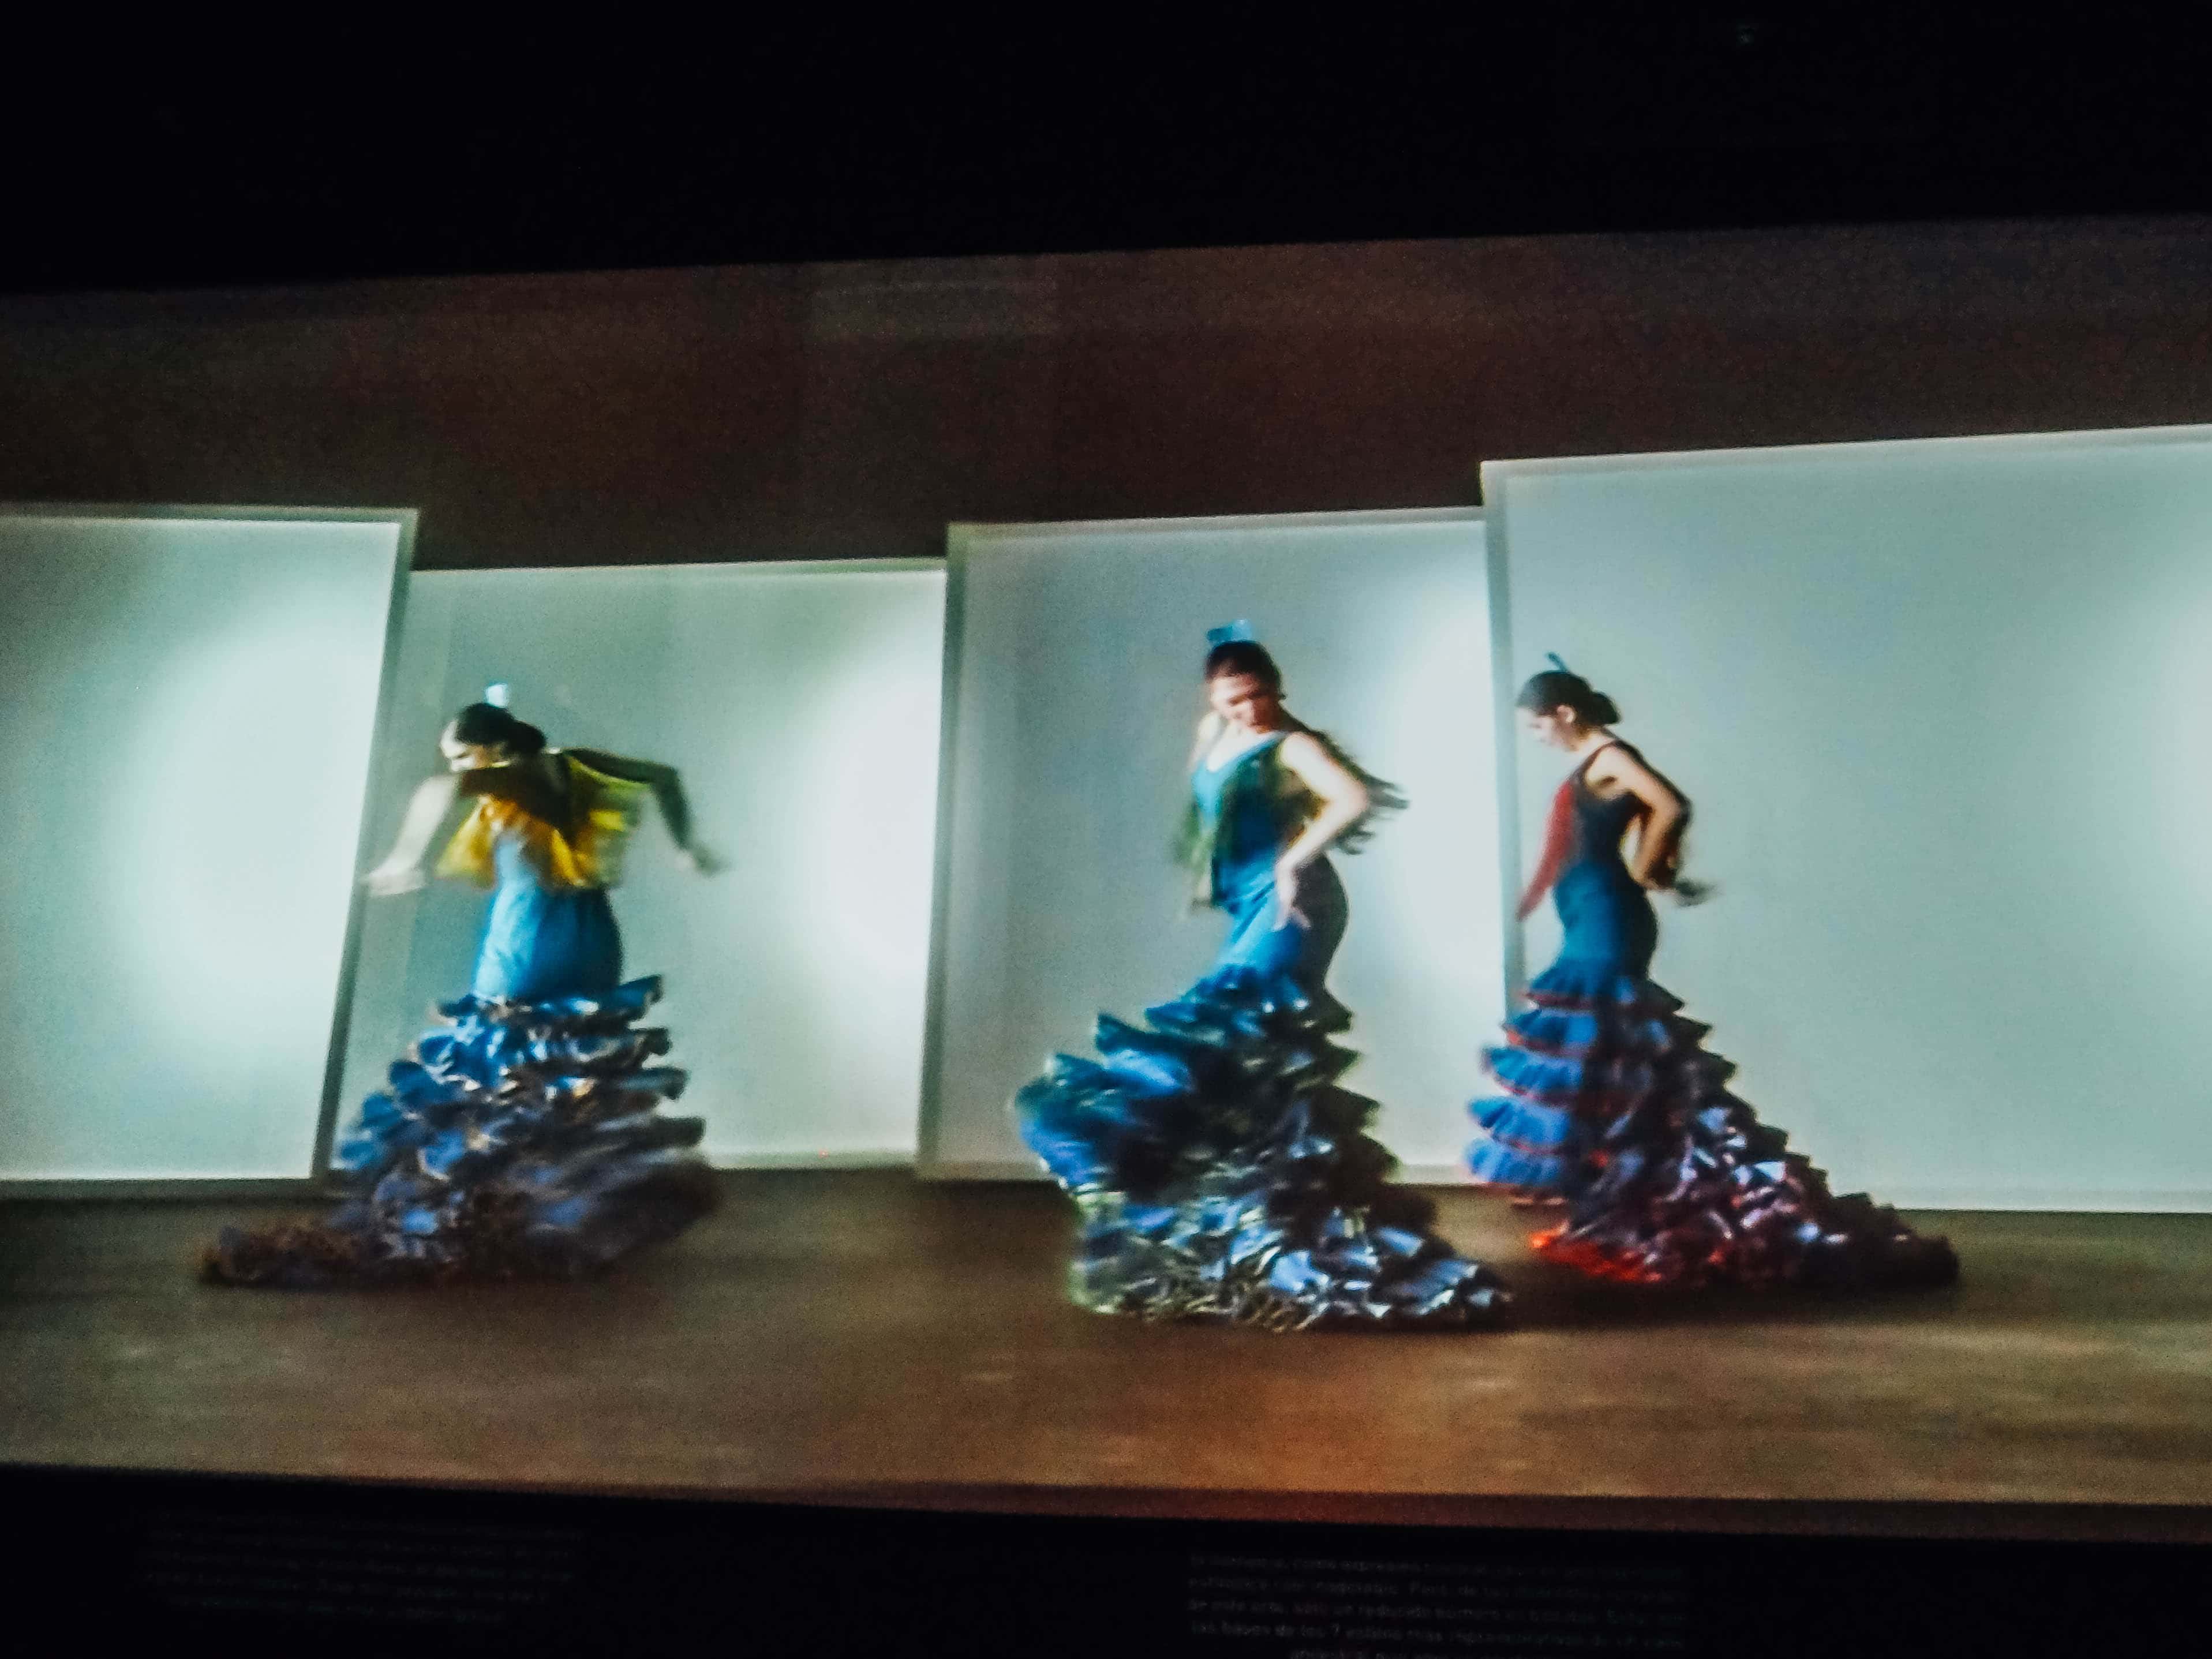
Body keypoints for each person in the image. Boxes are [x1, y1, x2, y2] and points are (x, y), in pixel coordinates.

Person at [1015, 624, 1510, 1330]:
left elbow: (1350, 799)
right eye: (1234, 699)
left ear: (1277, 689)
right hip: (1250, 904)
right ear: (1213, 696)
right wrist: (1203, 873)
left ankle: (1280, 1227)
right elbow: (1209, 807)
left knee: (1242, 1034)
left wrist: (1289, 860)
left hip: (1296, 905)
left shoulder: (1293, 744)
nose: (1249, 710)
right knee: (1246, 1060)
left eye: (1259, 696)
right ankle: (1262, 1222)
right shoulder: (1212, 733)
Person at [1466, 656, 1958, 1289]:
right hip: (1590, 915)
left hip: (1607, 919)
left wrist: (1647, 868)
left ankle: (1695, 1193)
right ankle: (1633, 1191)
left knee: (1612, 1053)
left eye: (1536, 727)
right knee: (1613, 1061)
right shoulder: (1591, 764)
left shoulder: (1609, 755)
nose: (1536, 739)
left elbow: (1670, 803)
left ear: (1562, 713)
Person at [203, 691, 724, 1288]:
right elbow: (665, 776)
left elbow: (436, 791)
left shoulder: (513, 776)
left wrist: (402, 859)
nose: (456, 767)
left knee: (491, 1066)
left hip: (526, 939)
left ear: (492, 749)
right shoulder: (577, 765)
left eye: (459, 755)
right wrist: (688, 847)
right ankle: (547, 1212)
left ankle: (492, 1211)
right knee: (566, 1070)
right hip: (593, 939)